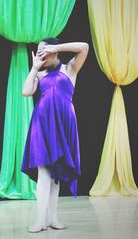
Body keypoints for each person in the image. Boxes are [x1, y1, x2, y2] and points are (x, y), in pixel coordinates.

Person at [21, 38, 89, 233]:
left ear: (54, 51)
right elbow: (26, 91)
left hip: (63, 124)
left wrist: (55, 47)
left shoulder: (69, 69)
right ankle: (40, 220)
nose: (41, 53)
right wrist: (34, 69)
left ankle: (52, 218)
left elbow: (84, 47)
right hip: (42, 125)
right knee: (44, 172)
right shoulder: (40, 75)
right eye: (38, 50)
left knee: (56, 174)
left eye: (44, 50)